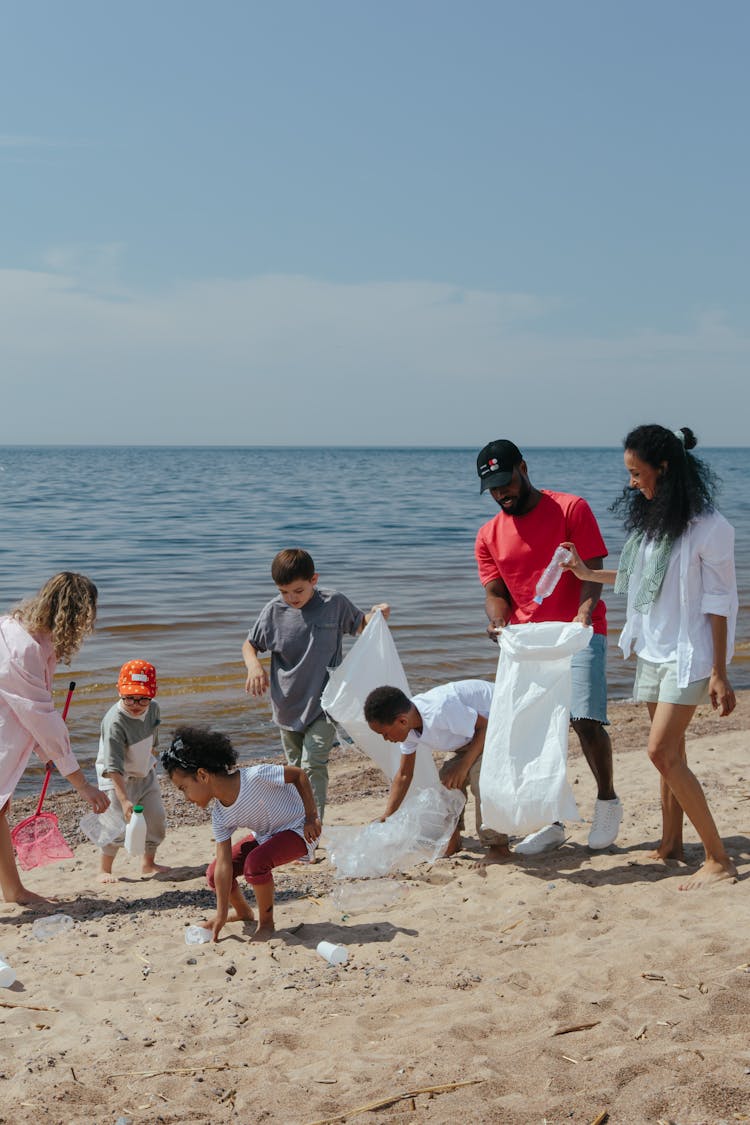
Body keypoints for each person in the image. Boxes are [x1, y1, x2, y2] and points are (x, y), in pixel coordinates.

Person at [561, 425, 738, 890]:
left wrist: (720, 672)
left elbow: (719, 603)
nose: (632, 482)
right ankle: (672, 844)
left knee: (660, 751)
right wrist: (584, 572)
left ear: (664, 468)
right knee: (671, 755)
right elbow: (637, 576)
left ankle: (719, 859)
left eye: (637, 473)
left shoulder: (711, 528)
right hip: (654, 651)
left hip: (691, 655)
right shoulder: (654, 522)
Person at [475, 439, 622, 854]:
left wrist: (584, 615)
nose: (502, 493)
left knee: (583, 718)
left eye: (506, 482)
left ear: (523, 468)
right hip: (528, 642)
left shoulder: (570, 508)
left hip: (579, 631)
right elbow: (495, 590)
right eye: (493, 489)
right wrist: (497, 619)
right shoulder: (488, 535)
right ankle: (551, 820)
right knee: (537, 730)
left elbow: (591, 569)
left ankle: (608, 799)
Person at [242, 548, 389, 822]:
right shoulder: (274, 611)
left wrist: (376, 615)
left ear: (314, 580)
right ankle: (296, 823)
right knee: (295, 769)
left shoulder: (334, 603)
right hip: (286, 704)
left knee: (313, 765)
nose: (291, 598)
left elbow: (361, 625)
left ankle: (312, 827)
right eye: (284, 591)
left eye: (298, 590)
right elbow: (250, 645)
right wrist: (253, 666)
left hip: (325, 703)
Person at [0, 573, 110, 906]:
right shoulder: (27, 649)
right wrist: (82, 785)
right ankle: (14, 891)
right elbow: (41, 716)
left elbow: (25, 707)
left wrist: (42, 750)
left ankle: (13, 890)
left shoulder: (13, 626)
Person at [162, 725, 321, 941]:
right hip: (266, 837)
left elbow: (299, 775)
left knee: (255, 863)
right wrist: (220, 914)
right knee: (213, 872)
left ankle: (266, 924)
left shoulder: (255, 777)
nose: (186, 798)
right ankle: (243, 912)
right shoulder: (220, 816)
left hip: (300, 829)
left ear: (202, 775)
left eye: (183, 788)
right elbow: (224, 865)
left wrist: (311, 817)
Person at [364, 680, 510, 863]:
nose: (385, 739)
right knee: (446, 783)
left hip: (499, 726)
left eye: (385, 733)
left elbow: (485, 726)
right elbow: (403, 775)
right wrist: (388, 814)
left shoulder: (441, 710)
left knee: (480, 779)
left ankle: (498, 846)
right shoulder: (409, 727)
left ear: (402, 720)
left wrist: (464, 766)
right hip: (469, 738)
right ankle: (453, 839)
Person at [95, 660, 170, 882]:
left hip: (144, 772)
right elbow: (113, 766)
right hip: (117, 779)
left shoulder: (153, 708)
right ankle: (104, 870)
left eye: (143, 698)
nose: (136, 704)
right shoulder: (115, 722)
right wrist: (125, 799)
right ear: (119, 692)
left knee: (155, 818)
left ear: (152, 694)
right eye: (129, 698)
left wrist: (151, 757)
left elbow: (152, 736)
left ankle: (148, 864)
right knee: (115, 825)